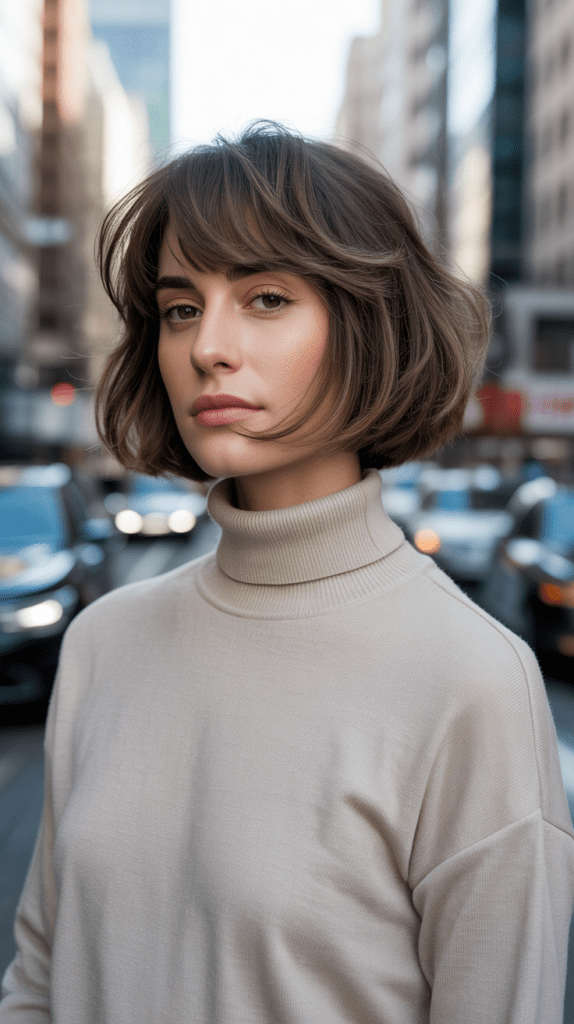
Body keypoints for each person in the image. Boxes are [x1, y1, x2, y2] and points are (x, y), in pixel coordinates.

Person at [2, 121, 573, 1023]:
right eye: (181, 308)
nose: (207, 348)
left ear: (366, 324)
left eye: (266, 299)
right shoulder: (106, 641)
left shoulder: (470, 680)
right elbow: (38, 980)